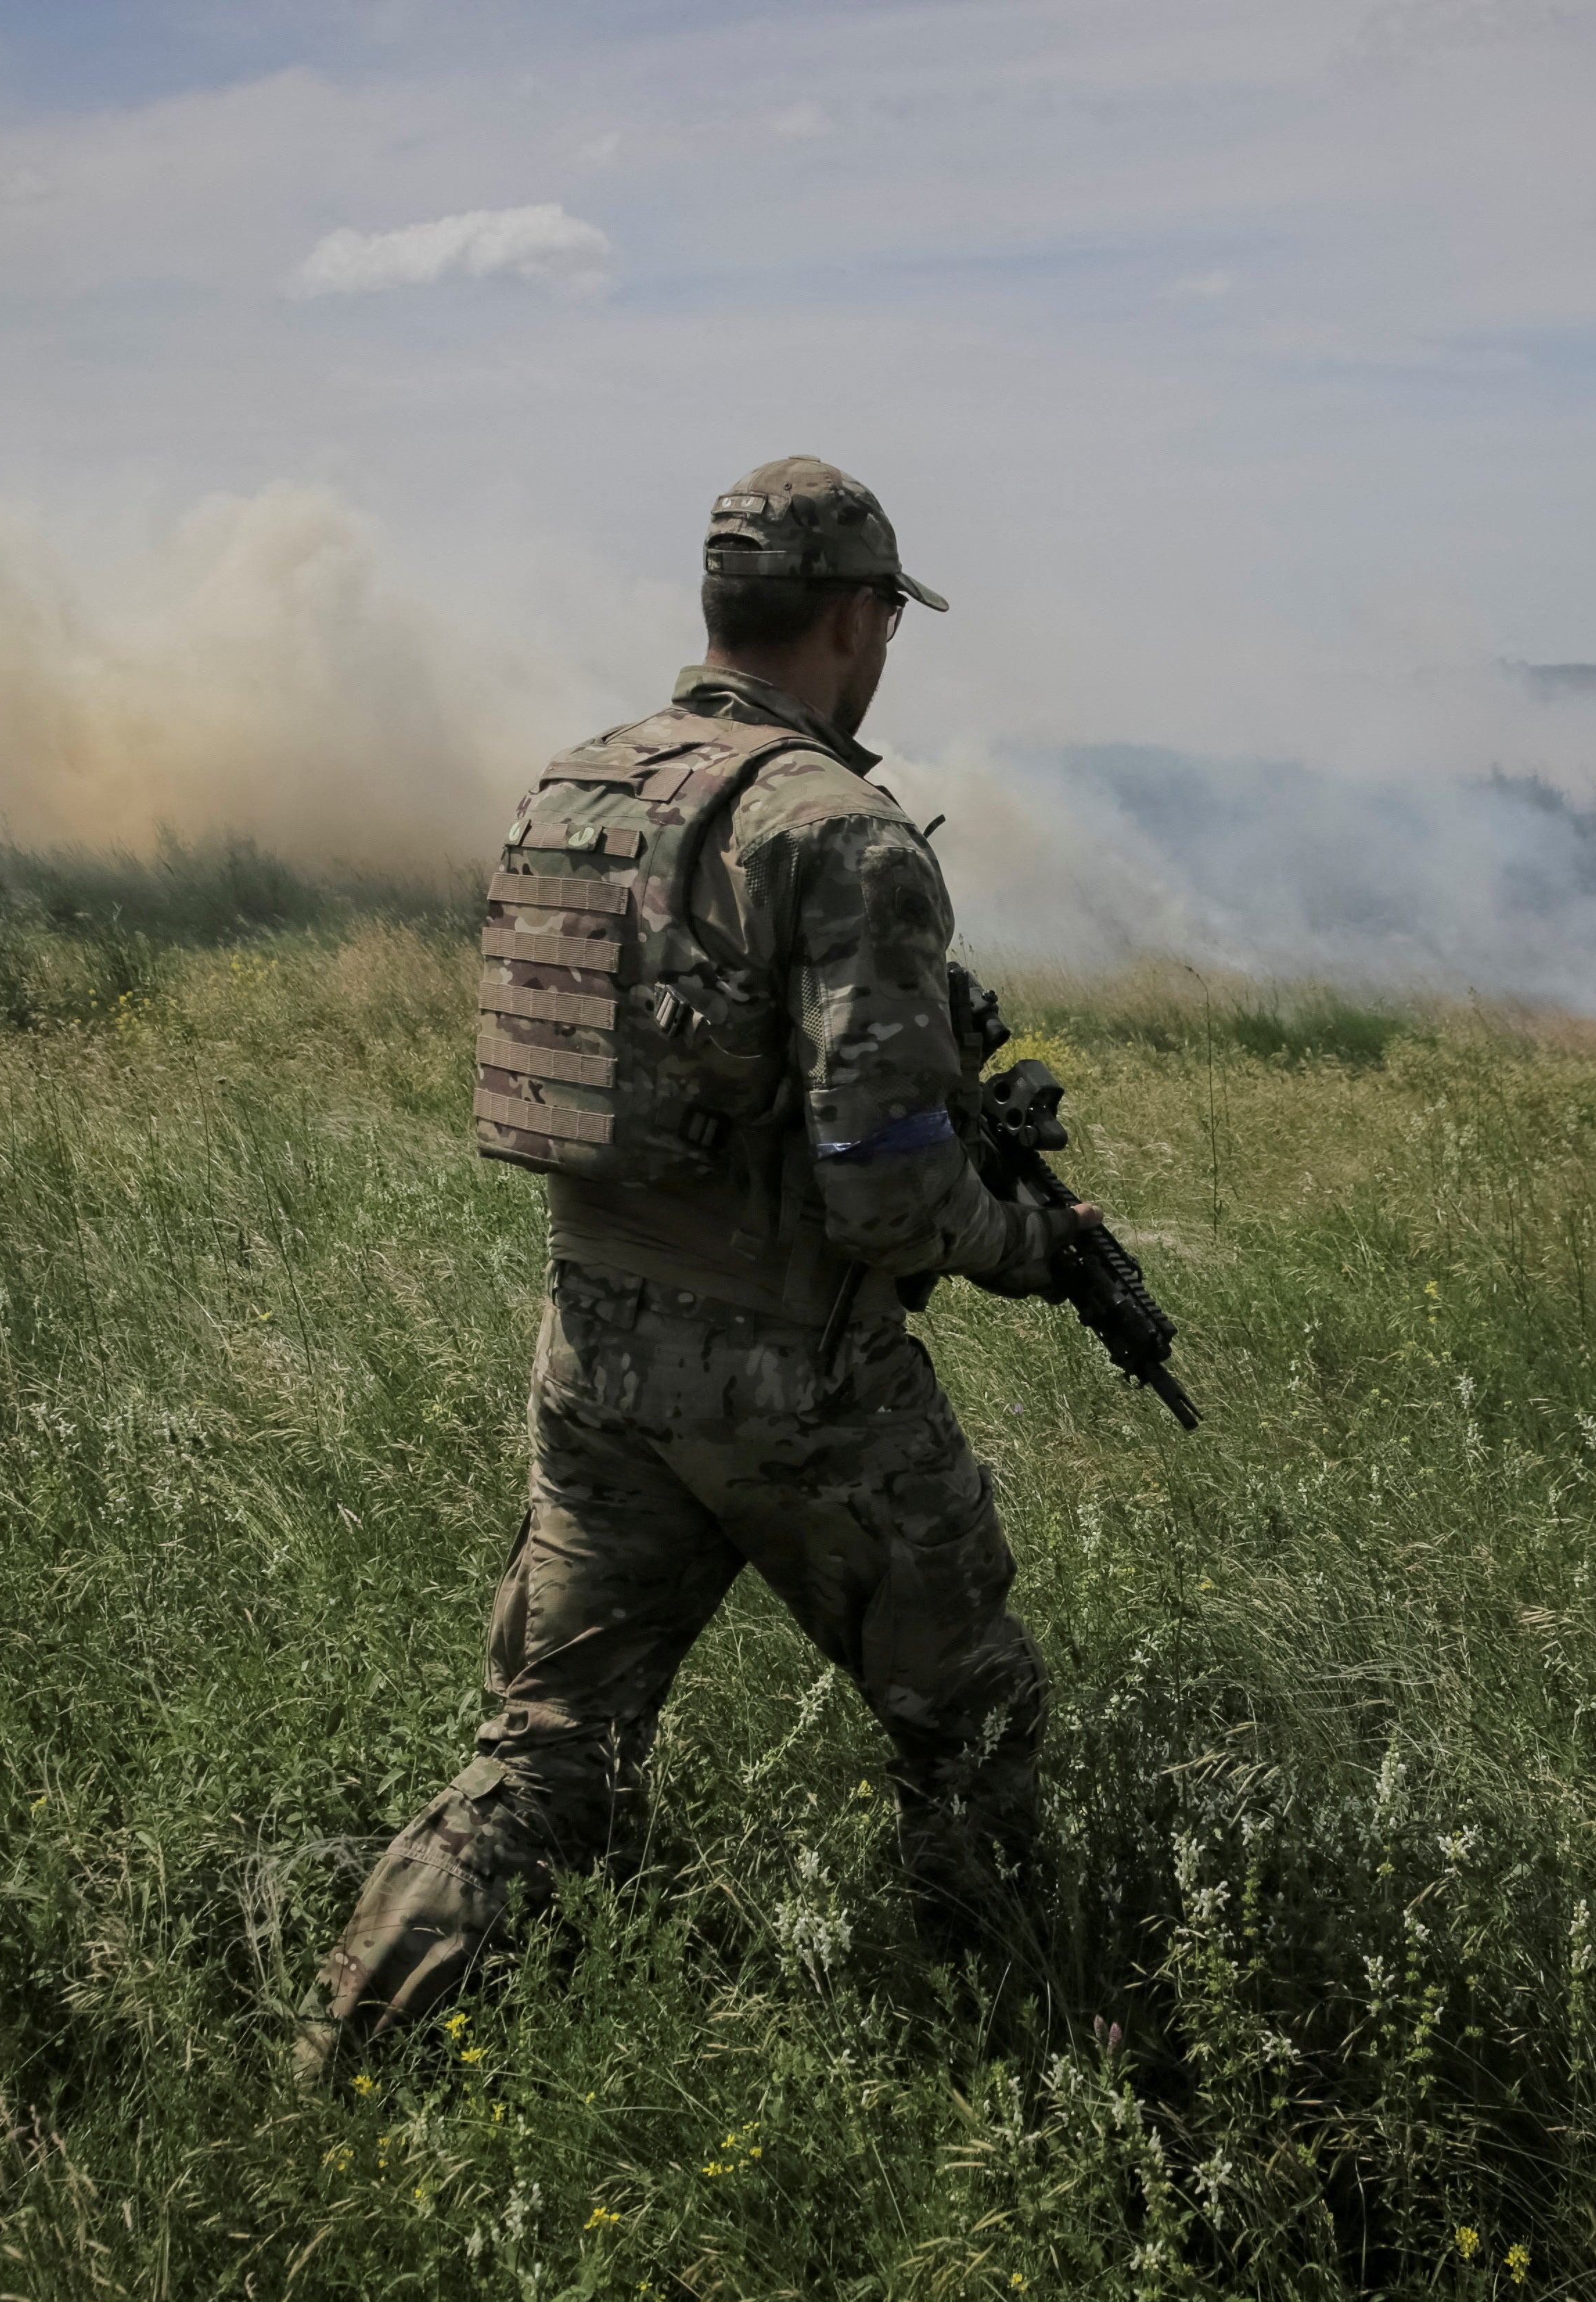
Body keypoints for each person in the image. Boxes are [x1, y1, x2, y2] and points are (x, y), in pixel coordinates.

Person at [296, 457, 1090, 2087]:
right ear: (858, 619)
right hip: (796, 1378)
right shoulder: (842, 834)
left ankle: (340, 2069)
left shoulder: (577, 787)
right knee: (979, 1729)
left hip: (594, 1351)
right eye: (887, 619)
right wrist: (1032, 1246)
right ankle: (1009, 2085)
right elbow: (888, 1197)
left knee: (544, 1758)